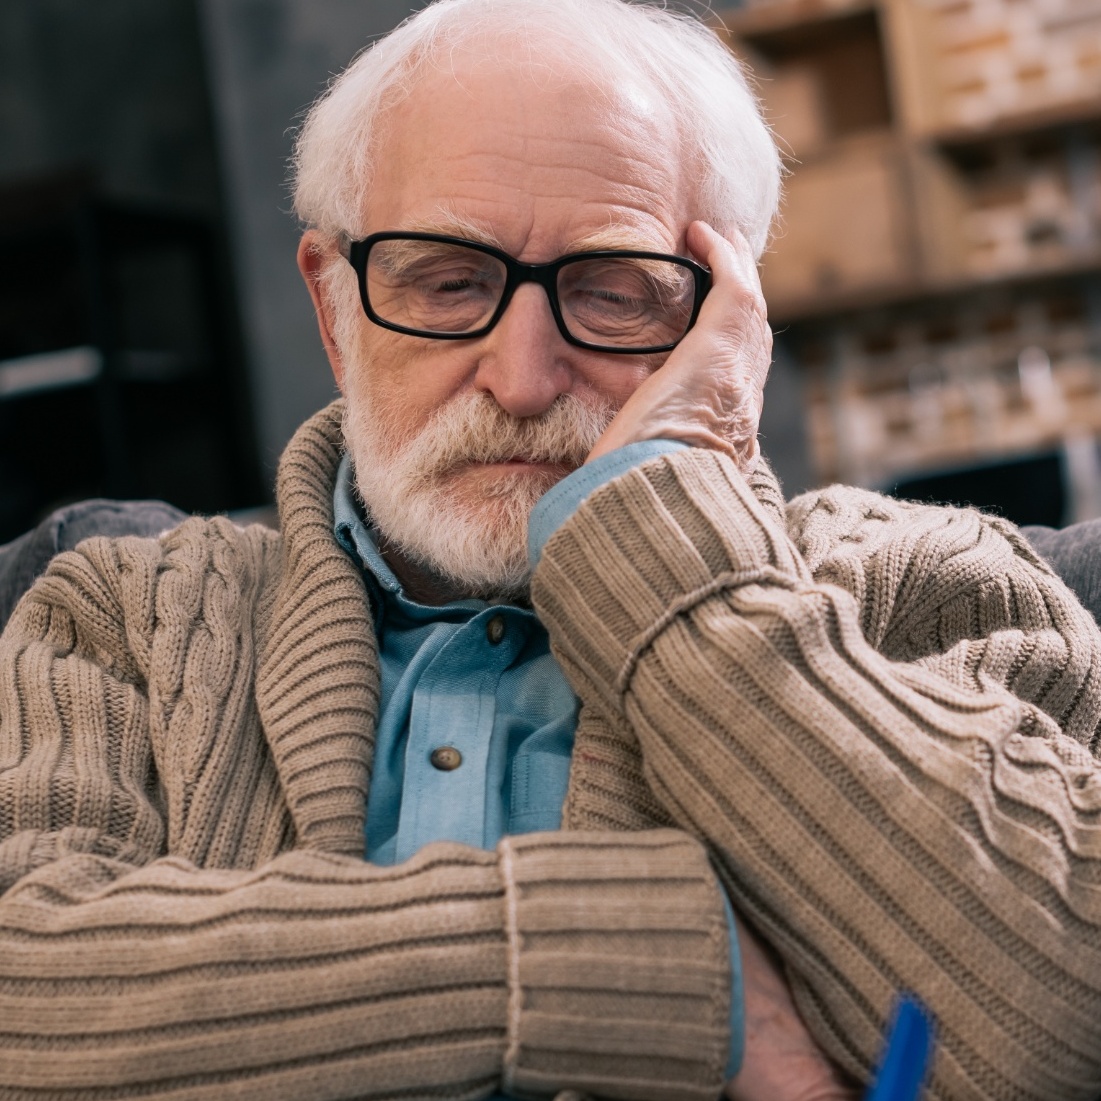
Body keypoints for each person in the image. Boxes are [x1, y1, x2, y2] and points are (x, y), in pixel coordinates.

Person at [4, 2, 1101, 1099]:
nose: (522, 380)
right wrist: (647, 965)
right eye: (446, 283)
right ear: (337, 314)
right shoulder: (122, 616)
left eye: (615, 293)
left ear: (728, 330)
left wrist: (676, 565)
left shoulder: (930, 587)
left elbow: (1060, 1016)